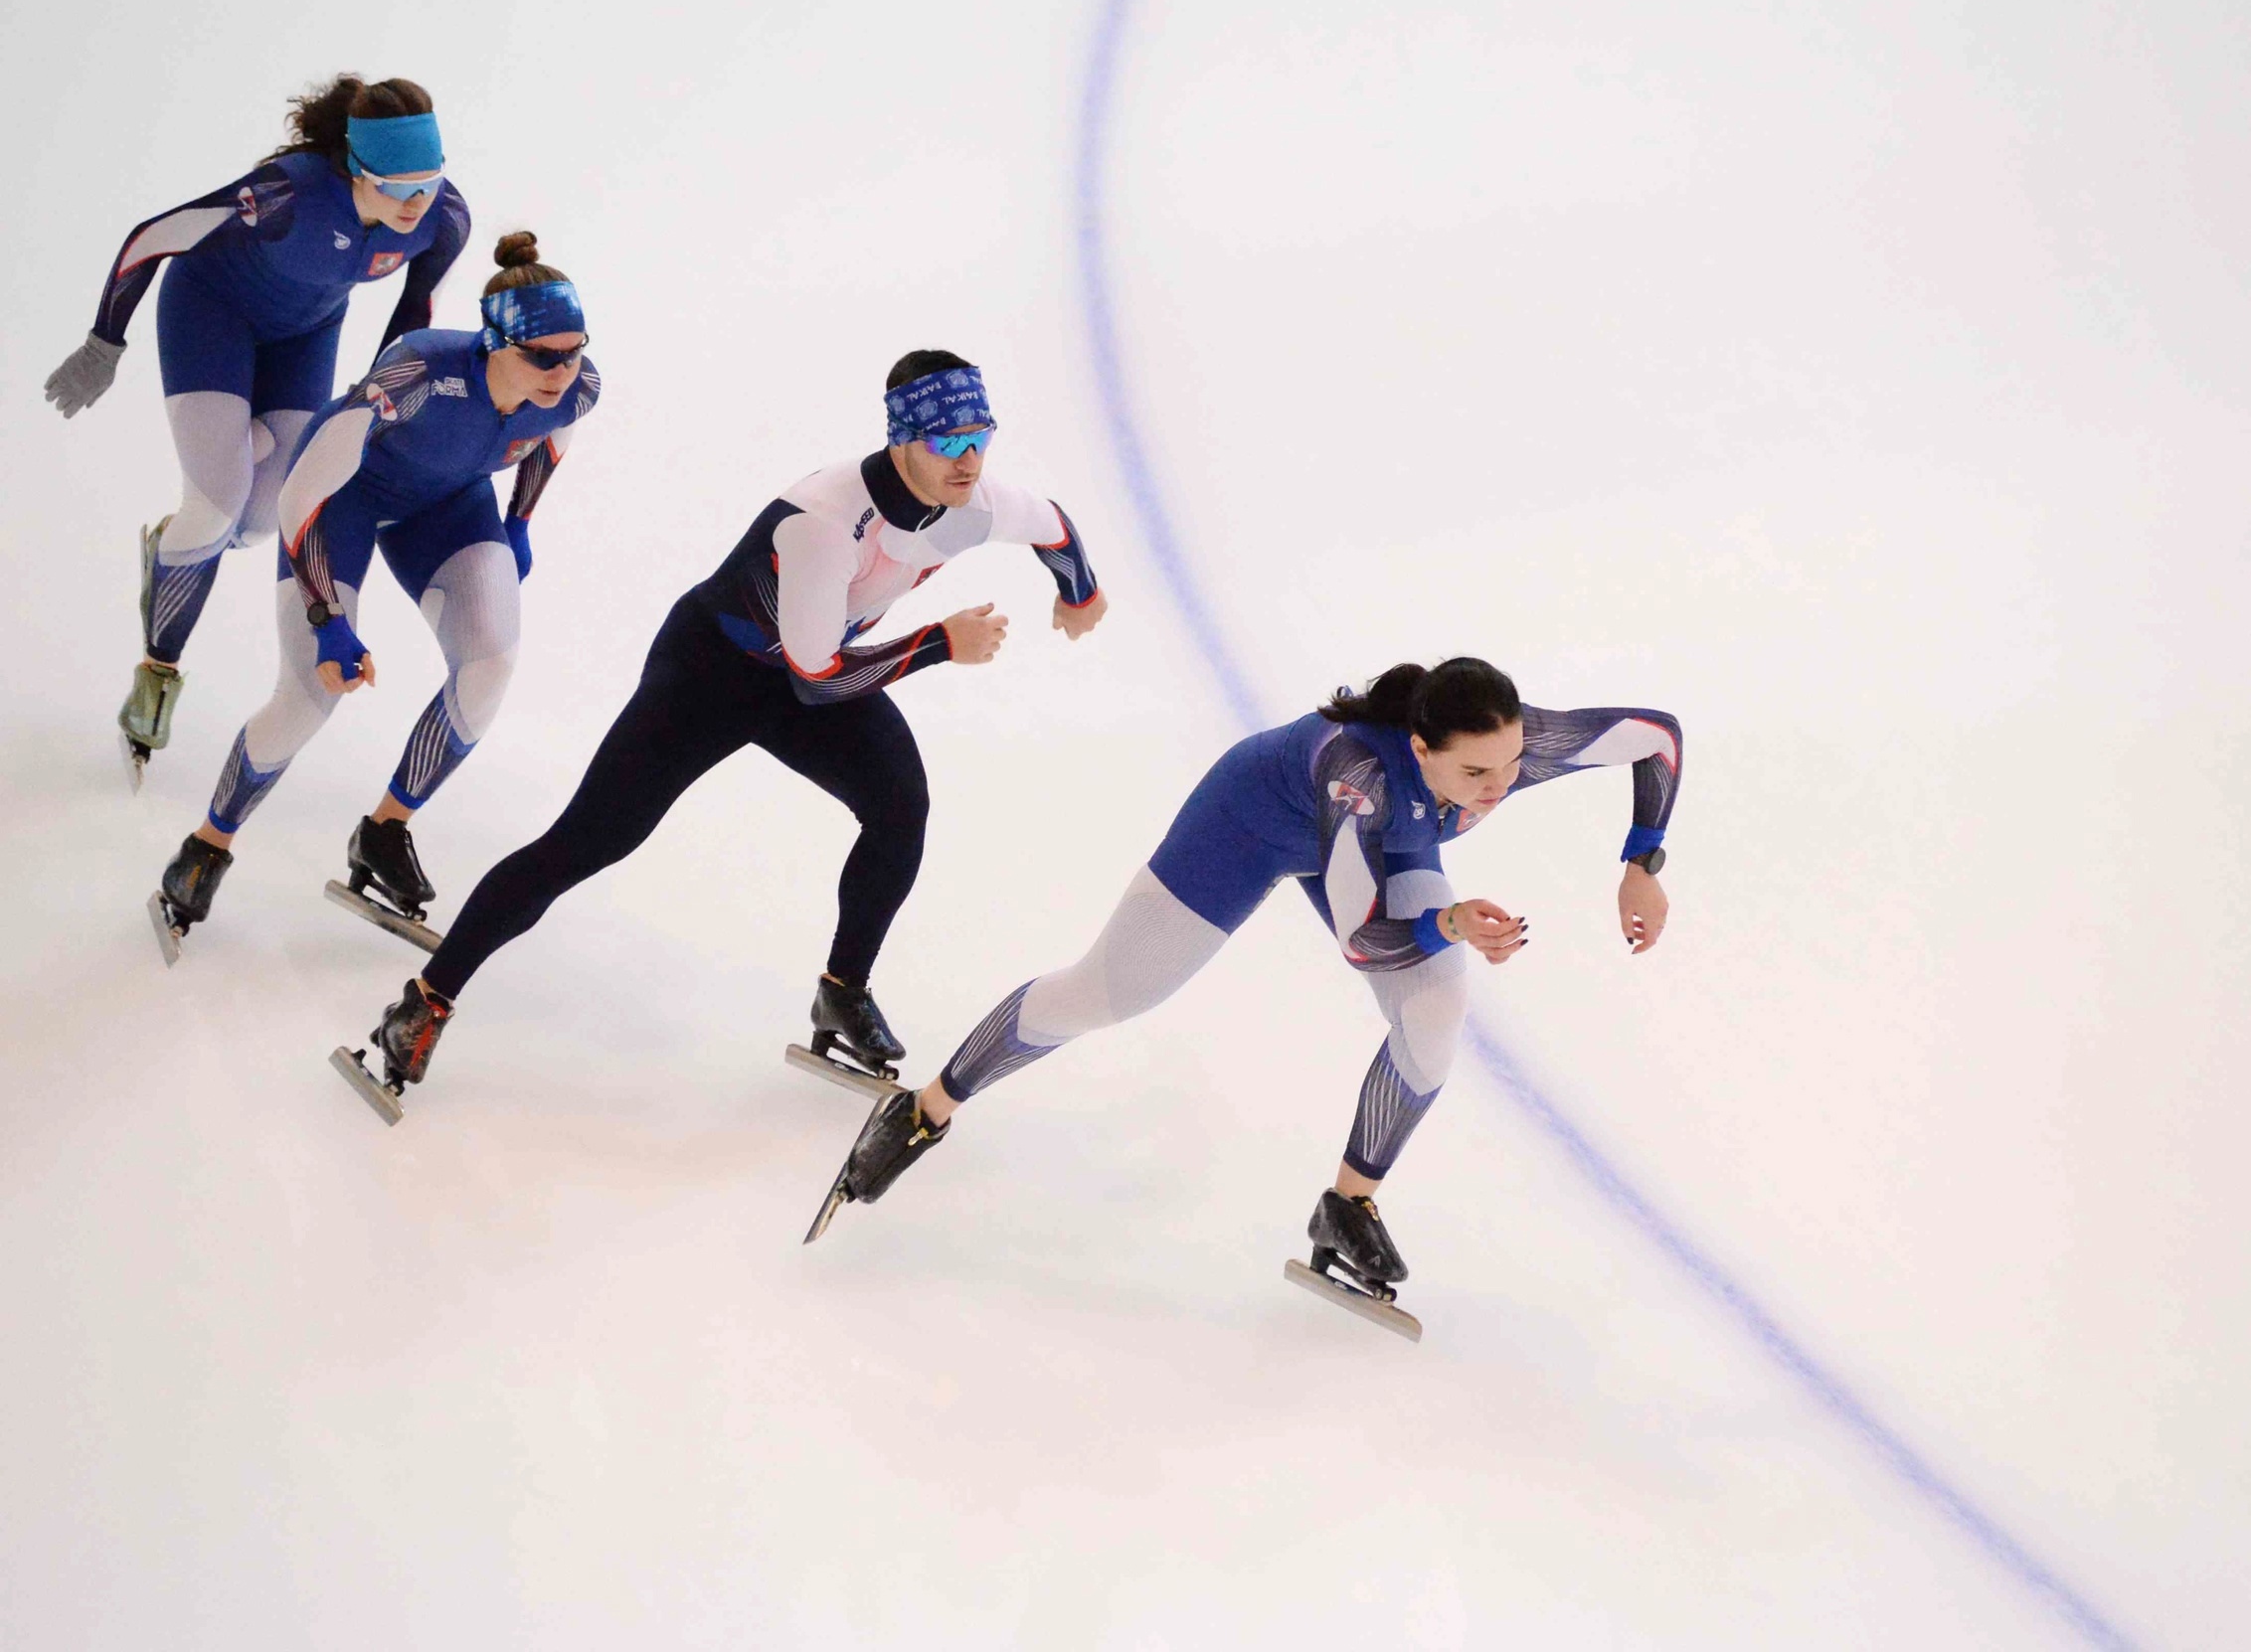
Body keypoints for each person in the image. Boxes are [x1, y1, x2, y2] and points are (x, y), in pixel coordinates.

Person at [331, 351, 1110, 1116]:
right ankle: (425, 1002)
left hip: (809, 667)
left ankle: (842, 993)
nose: (969, 459)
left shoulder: (977, 502)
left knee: (900, 806)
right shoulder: (825, 521)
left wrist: (1081, 593)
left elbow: (1054, 529)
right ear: (903, 438)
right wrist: (939, 643)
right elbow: (819, 679)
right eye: (948, 441)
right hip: (712, 672)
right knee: (588, 840)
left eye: (980, 436)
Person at [804, 657, 1682, 1307]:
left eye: (1511, 765)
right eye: (1474, 775)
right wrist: (1447, 923)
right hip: (1254, 824)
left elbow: (1657, 738)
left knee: (1438, 1006)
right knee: (1106, 993)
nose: (1496, 790)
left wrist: (1642, 862)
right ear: (1421, 747)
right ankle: (923, 1109)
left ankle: (1349, 1208)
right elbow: (1365, 941)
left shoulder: (1514, 749)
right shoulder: (1361, 776)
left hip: (1385, 847)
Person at [147, 233, 601, 958]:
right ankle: (206, 847)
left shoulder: (578, 387)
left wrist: (519, 523)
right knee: (309, 694)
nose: (561, 372)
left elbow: (553, 441)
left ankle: (385, 831)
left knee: (490, 664)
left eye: (573, 352)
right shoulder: (418, 370)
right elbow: (299, 499)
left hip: (446, 508)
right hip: (341, 504)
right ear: (493, 342)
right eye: (541, 356)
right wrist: (328, 619)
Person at [42, 75, 471, 784]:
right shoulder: (287, 194)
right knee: (213, 510)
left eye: (427, 183)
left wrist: (378, 404)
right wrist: (103, 343)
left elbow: (413, 314)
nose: (415, 203)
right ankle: (157, 673)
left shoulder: (443, 218)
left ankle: (174, 545)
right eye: (396, 188)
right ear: (355, 170)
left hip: (306, 335)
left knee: (259, 519)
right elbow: (152, 237)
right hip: (211, 313)